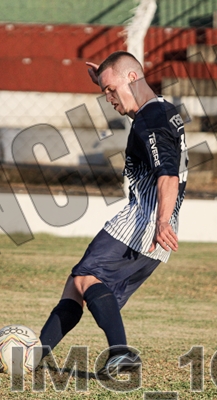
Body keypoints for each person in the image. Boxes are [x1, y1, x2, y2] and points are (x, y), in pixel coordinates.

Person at [38, 51, 188, 377]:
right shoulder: (159, 109)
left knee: (85, 278)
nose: (108, 98)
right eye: (104, 91)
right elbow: (136, 102)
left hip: (144, 221)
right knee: (76, 286)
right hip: (153, 223)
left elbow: (168, 174)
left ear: (132, 78)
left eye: (110, 90)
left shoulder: (152, 119)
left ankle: (120, 353)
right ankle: (36, 354)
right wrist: (106, 77)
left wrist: (161, 221)